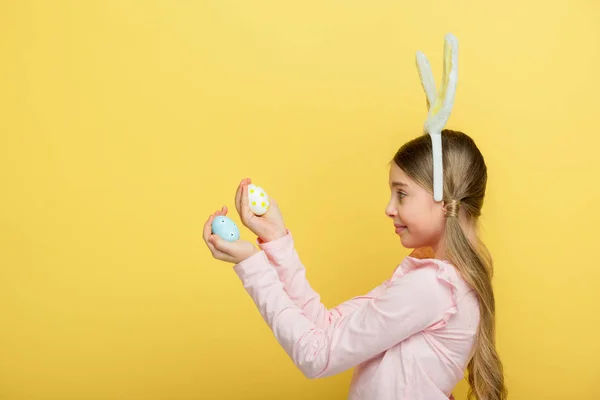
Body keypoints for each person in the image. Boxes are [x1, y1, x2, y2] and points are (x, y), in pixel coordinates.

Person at [203, 34, 507, 400]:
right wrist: (277, 240)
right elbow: (326, 330)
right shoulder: (434, 280)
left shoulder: (433, 288)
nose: (388, 208)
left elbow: (316, 356)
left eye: (402, 193)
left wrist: (252, 264)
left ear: (444, 201)